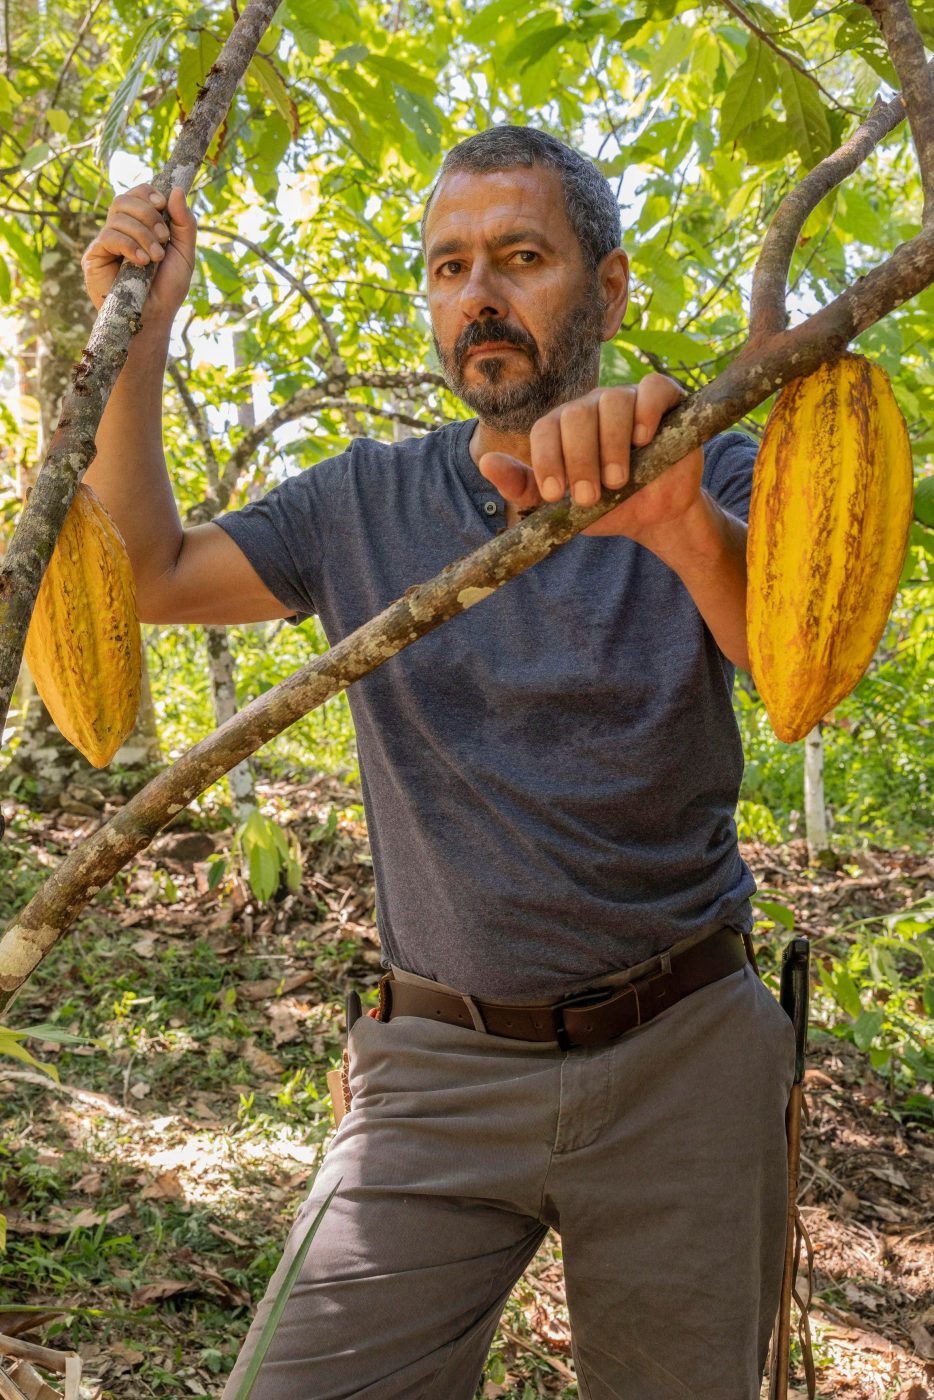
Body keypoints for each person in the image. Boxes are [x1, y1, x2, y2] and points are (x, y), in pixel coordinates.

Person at [82, 125, 794, 1399]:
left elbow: (798, 679)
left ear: (609, 288)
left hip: (685, 1047)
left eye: (521, 257)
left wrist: (678, 516)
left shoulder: (711, 456)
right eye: (448, 266)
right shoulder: (361, 502)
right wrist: (140, 341)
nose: (479, 296)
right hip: (434, 1067)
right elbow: (146, 574)